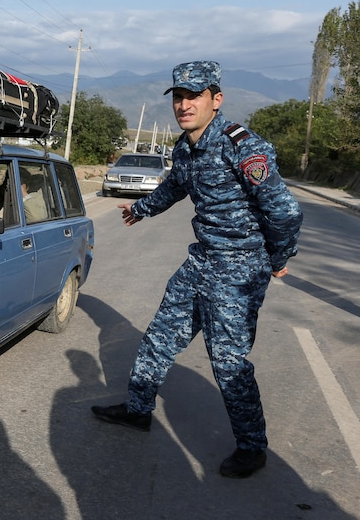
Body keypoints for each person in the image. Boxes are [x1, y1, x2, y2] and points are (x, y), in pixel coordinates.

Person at [91, 61, 303, 479]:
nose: (184, 104)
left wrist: (278, 259)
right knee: (160, 335)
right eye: (179, 97)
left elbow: (285, 212)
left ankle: (252, 446)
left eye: (194, 95)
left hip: (240, 268)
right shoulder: (184, 148)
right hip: (202, 259)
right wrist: (141, 209)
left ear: (215, 99)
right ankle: (137, 409)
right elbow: (175, 187)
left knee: (228, 361)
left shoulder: (242, 145)